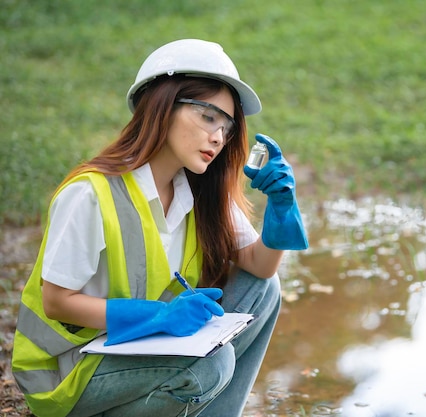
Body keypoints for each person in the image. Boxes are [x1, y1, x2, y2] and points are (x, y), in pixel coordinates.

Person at [11, 38, 308, 417]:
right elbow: (56, 302)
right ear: (162, 106)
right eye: (207, 117)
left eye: (227, 126)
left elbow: (261, 268)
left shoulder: (198, 190)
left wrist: (280, 210)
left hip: (138, 348)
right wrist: (157, 317)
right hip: (68, 371)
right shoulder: (91, 194)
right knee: (211, 364)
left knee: (263, 290)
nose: (218, 137)